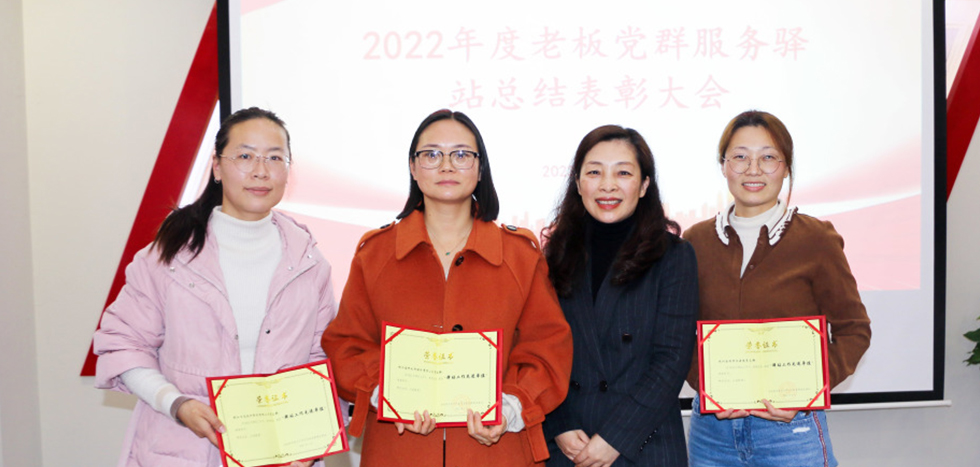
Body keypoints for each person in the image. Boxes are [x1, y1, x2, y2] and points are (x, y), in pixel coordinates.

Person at [321, 109, 573, 466]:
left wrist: (510, 407)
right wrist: (388, 395)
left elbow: (547, 349)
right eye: (432, 154)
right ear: (413, 167)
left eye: (461, 154)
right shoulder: (375, 254)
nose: (446, 166)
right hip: (399, 450)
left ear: (480, 168)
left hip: (495, 452)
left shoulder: (519, 255)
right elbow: (346, 344)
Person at [94, 107, 337, 467]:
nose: (261, 171)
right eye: (245, 156)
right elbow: (124, 345)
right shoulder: (167, 255)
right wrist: (176, 404)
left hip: (281, 455)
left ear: (288, 170)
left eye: (275, 158)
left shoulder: (309, 262)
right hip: (183, 448)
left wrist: (310, 443)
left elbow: (321, 359)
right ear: (217, 167)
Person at [683, 110, 872, 467]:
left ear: (786, 168)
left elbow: (854, 330)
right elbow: (674, 333)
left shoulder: (816, 239)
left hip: (791, 432)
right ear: (723, 166)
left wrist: (807, 391)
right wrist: (707, 386)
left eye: (768, 157)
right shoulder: (694, 242)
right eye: (740, 157)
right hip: (712, 433)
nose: (753, 169)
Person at [541, 125, 699, 467]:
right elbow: (539, 350)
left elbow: (671, 360)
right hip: (569, 446)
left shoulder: (674, 256)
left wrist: (616, 437)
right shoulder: (554, 256)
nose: (607, 185)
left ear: (643, 185)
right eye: (594, 172)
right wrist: (559, 424)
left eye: (623, 173)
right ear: (578, 183)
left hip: (645, 444)